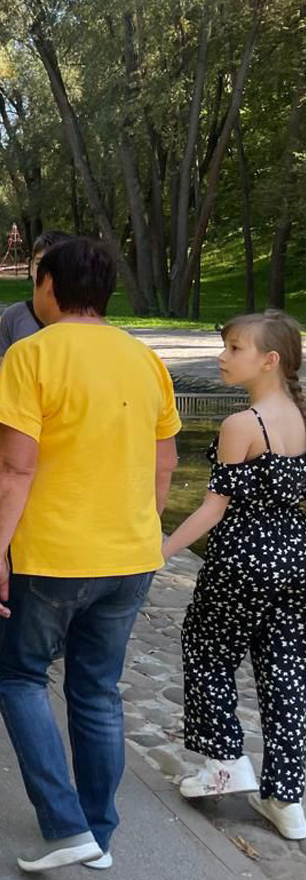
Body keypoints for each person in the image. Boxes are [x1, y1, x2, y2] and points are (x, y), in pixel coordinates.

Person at [0, 237, 181, 873]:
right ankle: (99, 831)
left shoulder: (32, 354)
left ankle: (65, 826)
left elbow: (14, 466)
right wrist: (140, 529)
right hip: (130, 555)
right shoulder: (144, 359)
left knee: (18, 676)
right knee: (97, 691)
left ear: (46, 285)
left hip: (53, 555)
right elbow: (164, 459)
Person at [163, 311, 306, 840]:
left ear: (269, 360)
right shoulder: (298, 416)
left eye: (235, 348)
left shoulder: (242, 425)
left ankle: (225, 760)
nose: (223, 357)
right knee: (285, 673)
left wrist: (161, 548)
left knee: (207, 650)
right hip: (293, 560)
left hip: (240, 562)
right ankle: (287, 799)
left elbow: (213, 508)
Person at [0, 231, 72, 358]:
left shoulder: (81, 319)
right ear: (31, 267)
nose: (45, 273)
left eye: (54, 265)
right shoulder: (13, 317)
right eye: (40, 263)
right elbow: (3, 372)